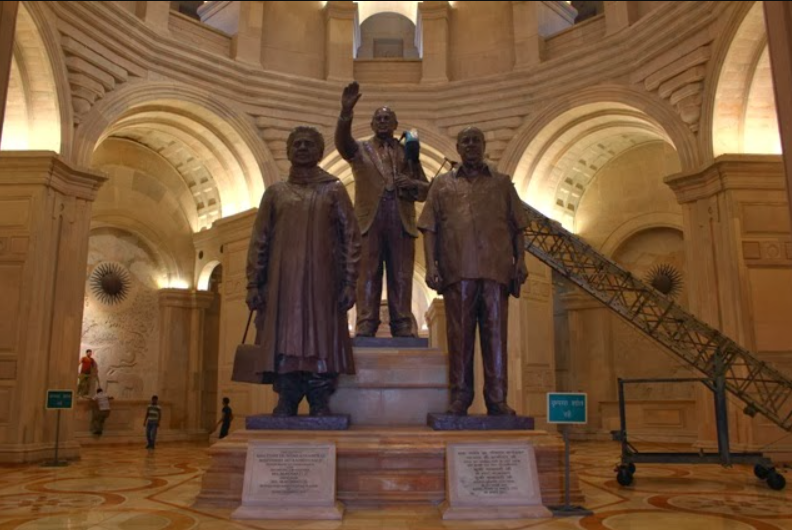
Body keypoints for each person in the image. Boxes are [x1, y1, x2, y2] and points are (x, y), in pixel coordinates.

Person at [246, 126, 361, 417]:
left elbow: (351, 237)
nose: (302, 148)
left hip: (324, 284)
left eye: (309, 144)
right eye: (296, 144)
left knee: (322, 339)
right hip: (282, 286)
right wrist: (253, 284)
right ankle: (287, 397)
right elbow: (260, 240)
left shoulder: (334, 189)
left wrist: (349, 282)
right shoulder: (275, 193)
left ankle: (319, 398)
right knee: (283, 340)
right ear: (287, 151)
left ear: (320, 152)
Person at [418, 127, 529, 416]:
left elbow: (518, 227)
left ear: (484, 145)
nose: (470, 145)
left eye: (476, 140)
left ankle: (497, 399)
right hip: (458, 271)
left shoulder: (503, 184)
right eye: (465, 141)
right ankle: (460, 398)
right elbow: (429, 228)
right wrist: (431, 265)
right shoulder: (441, 185)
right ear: (457, 146)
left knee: (496, 338)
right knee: (460, 339)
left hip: (496, 271)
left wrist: (521, 262)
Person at [335, 81, 429, 338]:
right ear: (373, 124)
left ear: (396, 125)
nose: (384, 121)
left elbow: (424, 191)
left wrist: (410, 181)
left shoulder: (409, 153)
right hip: (369, 220)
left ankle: (402, 325)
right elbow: (342, 142)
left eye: (388, 118)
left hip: (401, 220)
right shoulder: (360, 150)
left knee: (401, 274)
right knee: (367, 272)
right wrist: (346, 112)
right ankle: (366, 323)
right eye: (379, 118)